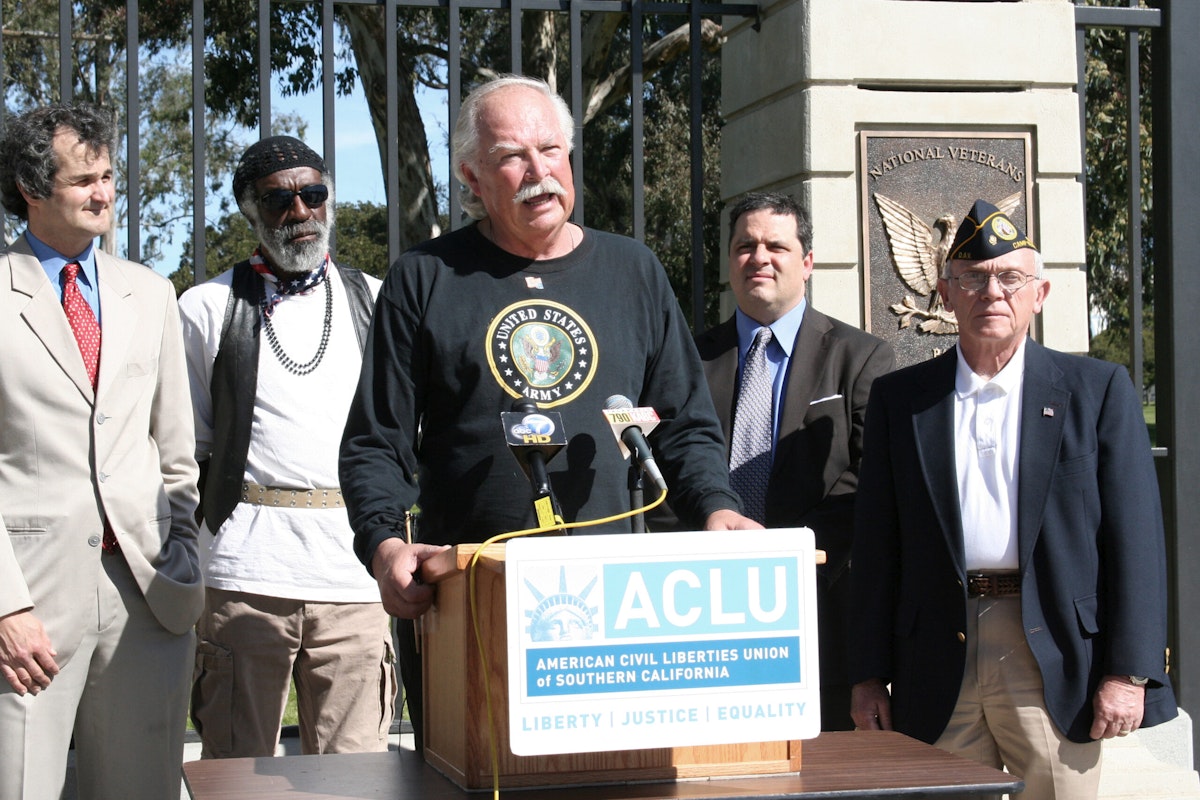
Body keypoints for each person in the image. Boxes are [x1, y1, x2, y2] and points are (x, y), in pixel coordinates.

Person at [339, 74, 759, 745]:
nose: (538, 172)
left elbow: (683, 423)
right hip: (470, 600)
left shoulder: (634, 271)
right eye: (512, 157)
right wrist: (384, 542)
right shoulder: (424, 279)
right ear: (473, 180)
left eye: (550, 150)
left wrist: (715, 504)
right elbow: (377, 439)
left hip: (615, 607)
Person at [848, 199, 1176, 797]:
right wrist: (867, 675)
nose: (991, 292)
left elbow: (1135, 540)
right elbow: (876, 548)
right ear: (945, 294)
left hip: (1049, 650)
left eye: (1009, 278)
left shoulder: (1096, 392)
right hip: (935, 655)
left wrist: (1130, 672)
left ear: (1040, 293)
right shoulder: (902, 400)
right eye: (972, 279)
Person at [0, 102, 203, 800]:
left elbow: (176, 451)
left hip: (149, 598)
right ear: (31, 189)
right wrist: (4, 607)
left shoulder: (150, 293)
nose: (104, 193)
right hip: (30, 607)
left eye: (110, 175)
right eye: (84, 179)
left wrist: (183, 560)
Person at [179, 136, 395, 758]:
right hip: (243, 579)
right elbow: (186, 446)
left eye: (313, 194)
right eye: (278, 200)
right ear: (250, 210)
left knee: (355, 781)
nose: (299, 211)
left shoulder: (377, 301)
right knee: (237, 776)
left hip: (355, 579)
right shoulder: (206, 307)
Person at [691, 192, 893, 731]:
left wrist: (781, 554)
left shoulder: (860, 356)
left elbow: (872, 484)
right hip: (708, 609)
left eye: (776, 245)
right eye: (745, 246)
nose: (759, 257)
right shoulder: (690, 359)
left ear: (806, 262)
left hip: (820, 608)